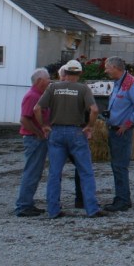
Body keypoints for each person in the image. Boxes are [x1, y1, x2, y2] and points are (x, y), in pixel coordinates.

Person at [33, 59, 103, 218]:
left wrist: (44, 125)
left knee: (54, 173)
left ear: (64, 73)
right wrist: (90, 126)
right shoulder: (83, 89)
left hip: (56, 132)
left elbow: (37, 108)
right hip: (76, 132)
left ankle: (53, 210)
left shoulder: (53, 87)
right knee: (86, 171)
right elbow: (94, 109)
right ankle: (92, 209)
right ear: (79, 73)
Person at [103, 56, 134, 212]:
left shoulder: (131, 84)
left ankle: (123, 200)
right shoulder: (119, 83)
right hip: (114, 129)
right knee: (117, 166)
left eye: (107, 67)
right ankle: (121, 198)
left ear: (115, 67)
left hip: (121, 131)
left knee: (120, 166)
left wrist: (128, 123)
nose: (105, 70)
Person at [14, 68, 51, 217]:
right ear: (39, 81)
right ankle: (24, 205)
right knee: (32, 172)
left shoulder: (38, 95)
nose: (49, 81)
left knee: (34, 171)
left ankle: (26, 203)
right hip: (34, 139)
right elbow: (24, 119)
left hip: (36, 138)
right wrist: (38, 133)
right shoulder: (33, 96)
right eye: (47, 79)